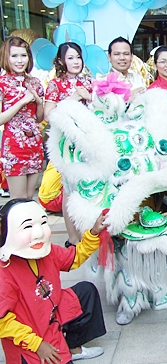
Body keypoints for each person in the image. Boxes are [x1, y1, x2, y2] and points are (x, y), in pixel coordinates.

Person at [0, 198, 107, 363]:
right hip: (28, 338)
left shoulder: (46, 250)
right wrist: (37, 345)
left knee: (86, 292)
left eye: (43, 223)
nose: (38, 233)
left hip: (50, 316)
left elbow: (74, 257)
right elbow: (3, 322)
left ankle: (72, 346)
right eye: (27, 226)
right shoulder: (4, 271)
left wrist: (93, 232)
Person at [44, 42, 92, 249]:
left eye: (78, 57)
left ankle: (88, 233)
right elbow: (48, 115)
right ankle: (72, 237)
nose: (75, 62)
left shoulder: (89, 82)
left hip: (89, 141)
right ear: (62, 61)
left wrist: (89, 97)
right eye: (71, 58)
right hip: (67, 143)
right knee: (69, 190)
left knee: (88, 187)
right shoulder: (56, 84)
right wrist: (74, 98)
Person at [0, 36, 44, 199]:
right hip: (14, 146)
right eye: (14, 56)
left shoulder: (35, 82)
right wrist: (22, 101)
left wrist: (39, 103)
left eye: (23, 55)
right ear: (6, 57)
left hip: (34, 144)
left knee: (29, 198)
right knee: (18, 201)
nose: (20, 60)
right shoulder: (2, 83)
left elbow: (39, 118)